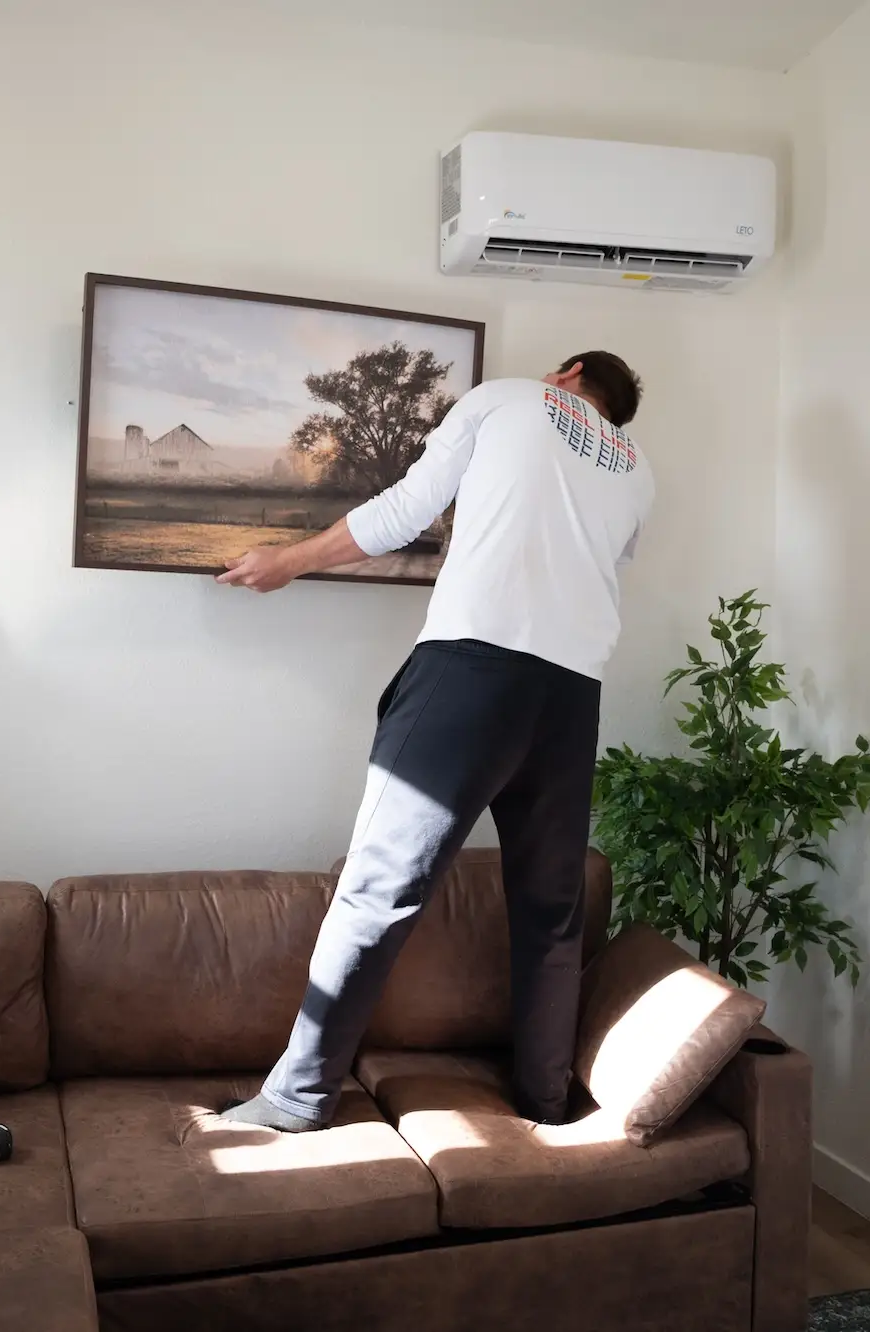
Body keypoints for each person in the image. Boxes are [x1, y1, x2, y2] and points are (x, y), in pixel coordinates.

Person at [215, 351, 654, 1129]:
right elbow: (591, 559)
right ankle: (545, 1103)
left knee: (378, 890)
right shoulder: (636, 468)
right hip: (571, 696)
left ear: (569, 370)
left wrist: (288, 561)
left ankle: (296, 1098)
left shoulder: (509, 399)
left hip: (473, 669)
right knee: (553, 915)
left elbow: (403, 512)